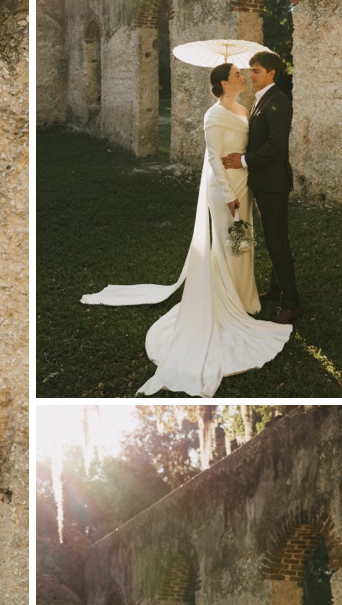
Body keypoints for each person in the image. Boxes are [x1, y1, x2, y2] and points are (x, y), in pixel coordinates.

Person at [81, 60, 291, 395]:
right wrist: (226, 195)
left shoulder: (242, 108)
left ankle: (244, 298)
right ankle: (227, 303)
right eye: (237, 74)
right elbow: (213, 157)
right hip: (224, 190)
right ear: (222, 83)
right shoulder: (213, 115)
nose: (242, 77)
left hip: (244, 184)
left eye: (243, 73)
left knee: (243, 243)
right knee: (227, 243)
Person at [224, 50, 301, 323]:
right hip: (263, 181)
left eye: (256, 71)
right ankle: (277, 288)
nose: (251, 75)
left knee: (277, 241)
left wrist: (243, 160)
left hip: (273, 183)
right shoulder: (260, 100)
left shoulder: (279, 100)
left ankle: (291, 304)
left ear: (271, 73)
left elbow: (276, 145)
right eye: (249, 70)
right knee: (273, 237)